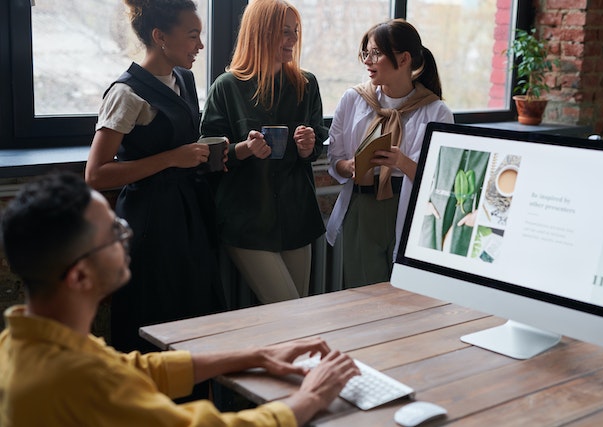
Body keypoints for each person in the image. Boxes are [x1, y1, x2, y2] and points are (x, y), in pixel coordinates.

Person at [0, 172, 359, 427]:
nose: (128, 234)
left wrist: (259, 356)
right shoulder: (76, 380)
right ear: (79, 275)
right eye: (114, 231)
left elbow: (134, 370)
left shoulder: (22, 341)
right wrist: (309, 399)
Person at [85, 0, 226, 354]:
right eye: (193, 35)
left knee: (196, 315)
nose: (201, 46)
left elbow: (185, 151)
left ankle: (194, 403)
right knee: (156, 315)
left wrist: (220, 154)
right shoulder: (126, 93)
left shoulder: (185, 79)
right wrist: (171, 159)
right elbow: (96, 174)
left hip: (189, 215)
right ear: (160, 36)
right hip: (150, 223)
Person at [200, 0, 327, 305]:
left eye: (295, 31)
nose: (293, 39)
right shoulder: (226, 87)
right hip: (247, 221)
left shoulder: (306, 85)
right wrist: (243, 149)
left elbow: (318, 141)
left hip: (297, 216)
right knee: (288, 313)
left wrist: (309, 145)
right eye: (285, 31)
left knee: (297, 311)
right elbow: (209, 154)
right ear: (260, 33)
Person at [326, 19, 454, 288]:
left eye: (376, 53)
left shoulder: (436, 111)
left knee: (406, 301)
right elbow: (334, 159)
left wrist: (401, 162)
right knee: (364, 300)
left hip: (409, 210)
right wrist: (348, 166)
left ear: (404, 58)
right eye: (366, 53)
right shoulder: (353, 100)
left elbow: (441, 179)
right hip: (362, 208)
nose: (367, 61)